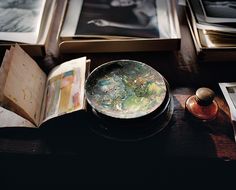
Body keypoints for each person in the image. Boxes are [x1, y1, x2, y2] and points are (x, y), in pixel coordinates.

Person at [87, 0, 158, 30]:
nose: (124, 3)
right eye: (120, 5)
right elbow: (144, 26)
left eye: (120, 1)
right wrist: (109, 23)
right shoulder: (137, 10)